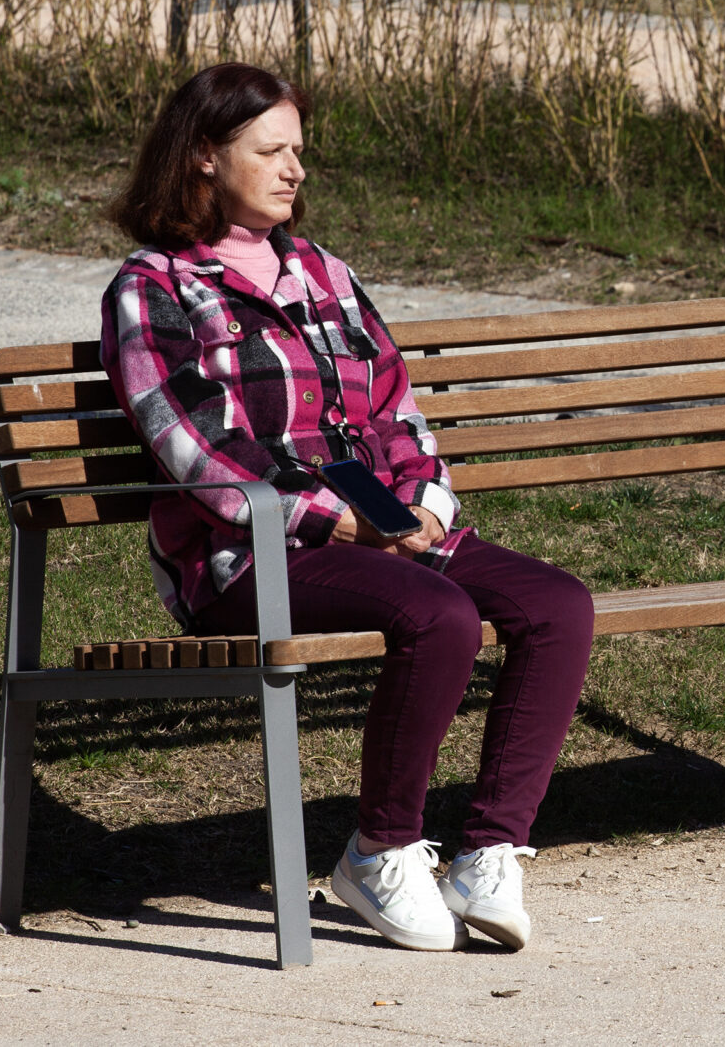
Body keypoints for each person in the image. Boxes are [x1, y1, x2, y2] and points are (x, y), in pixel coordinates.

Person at [100, 62, 593, 953]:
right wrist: (330, 518)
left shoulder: (323, 272)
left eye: (299, 152)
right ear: (205, 157)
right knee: (438, 615)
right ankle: (381, 849)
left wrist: (425, 499)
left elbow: (394, 405)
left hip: (381, 534)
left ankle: (488, 850)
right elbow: (198, 453)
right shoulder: (154, 288)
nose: (294, 170)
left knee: (559, 605)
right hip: (249, 556)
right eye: (271, 151)